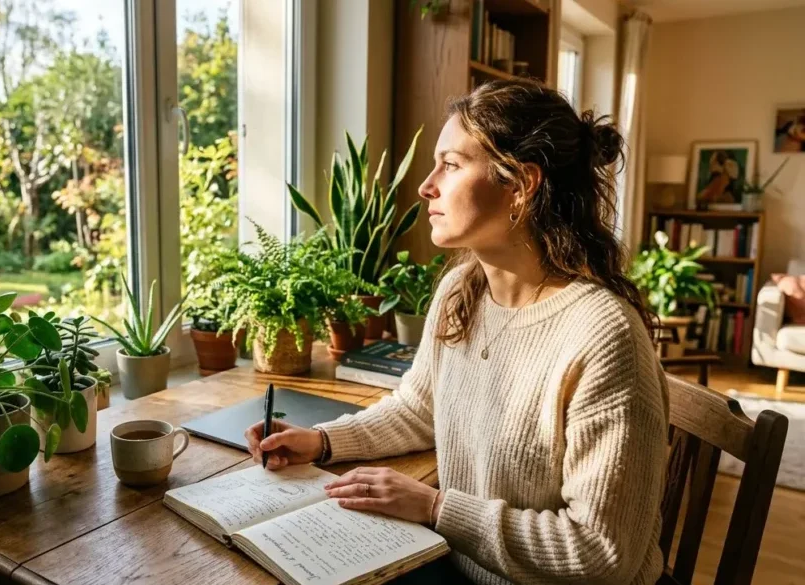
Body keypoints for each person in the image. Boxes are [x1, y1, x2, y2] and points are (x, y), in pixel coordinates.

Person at [245, 79, 669, 585]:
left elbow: (600, 556)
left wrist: (437, 507)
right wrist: (321, 441)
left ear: (521, 184)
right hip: (463, 566)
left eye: (450, 164)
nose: (427, 186)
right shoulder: (460, 291)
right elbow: (419, 408)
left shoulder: (603, 336)